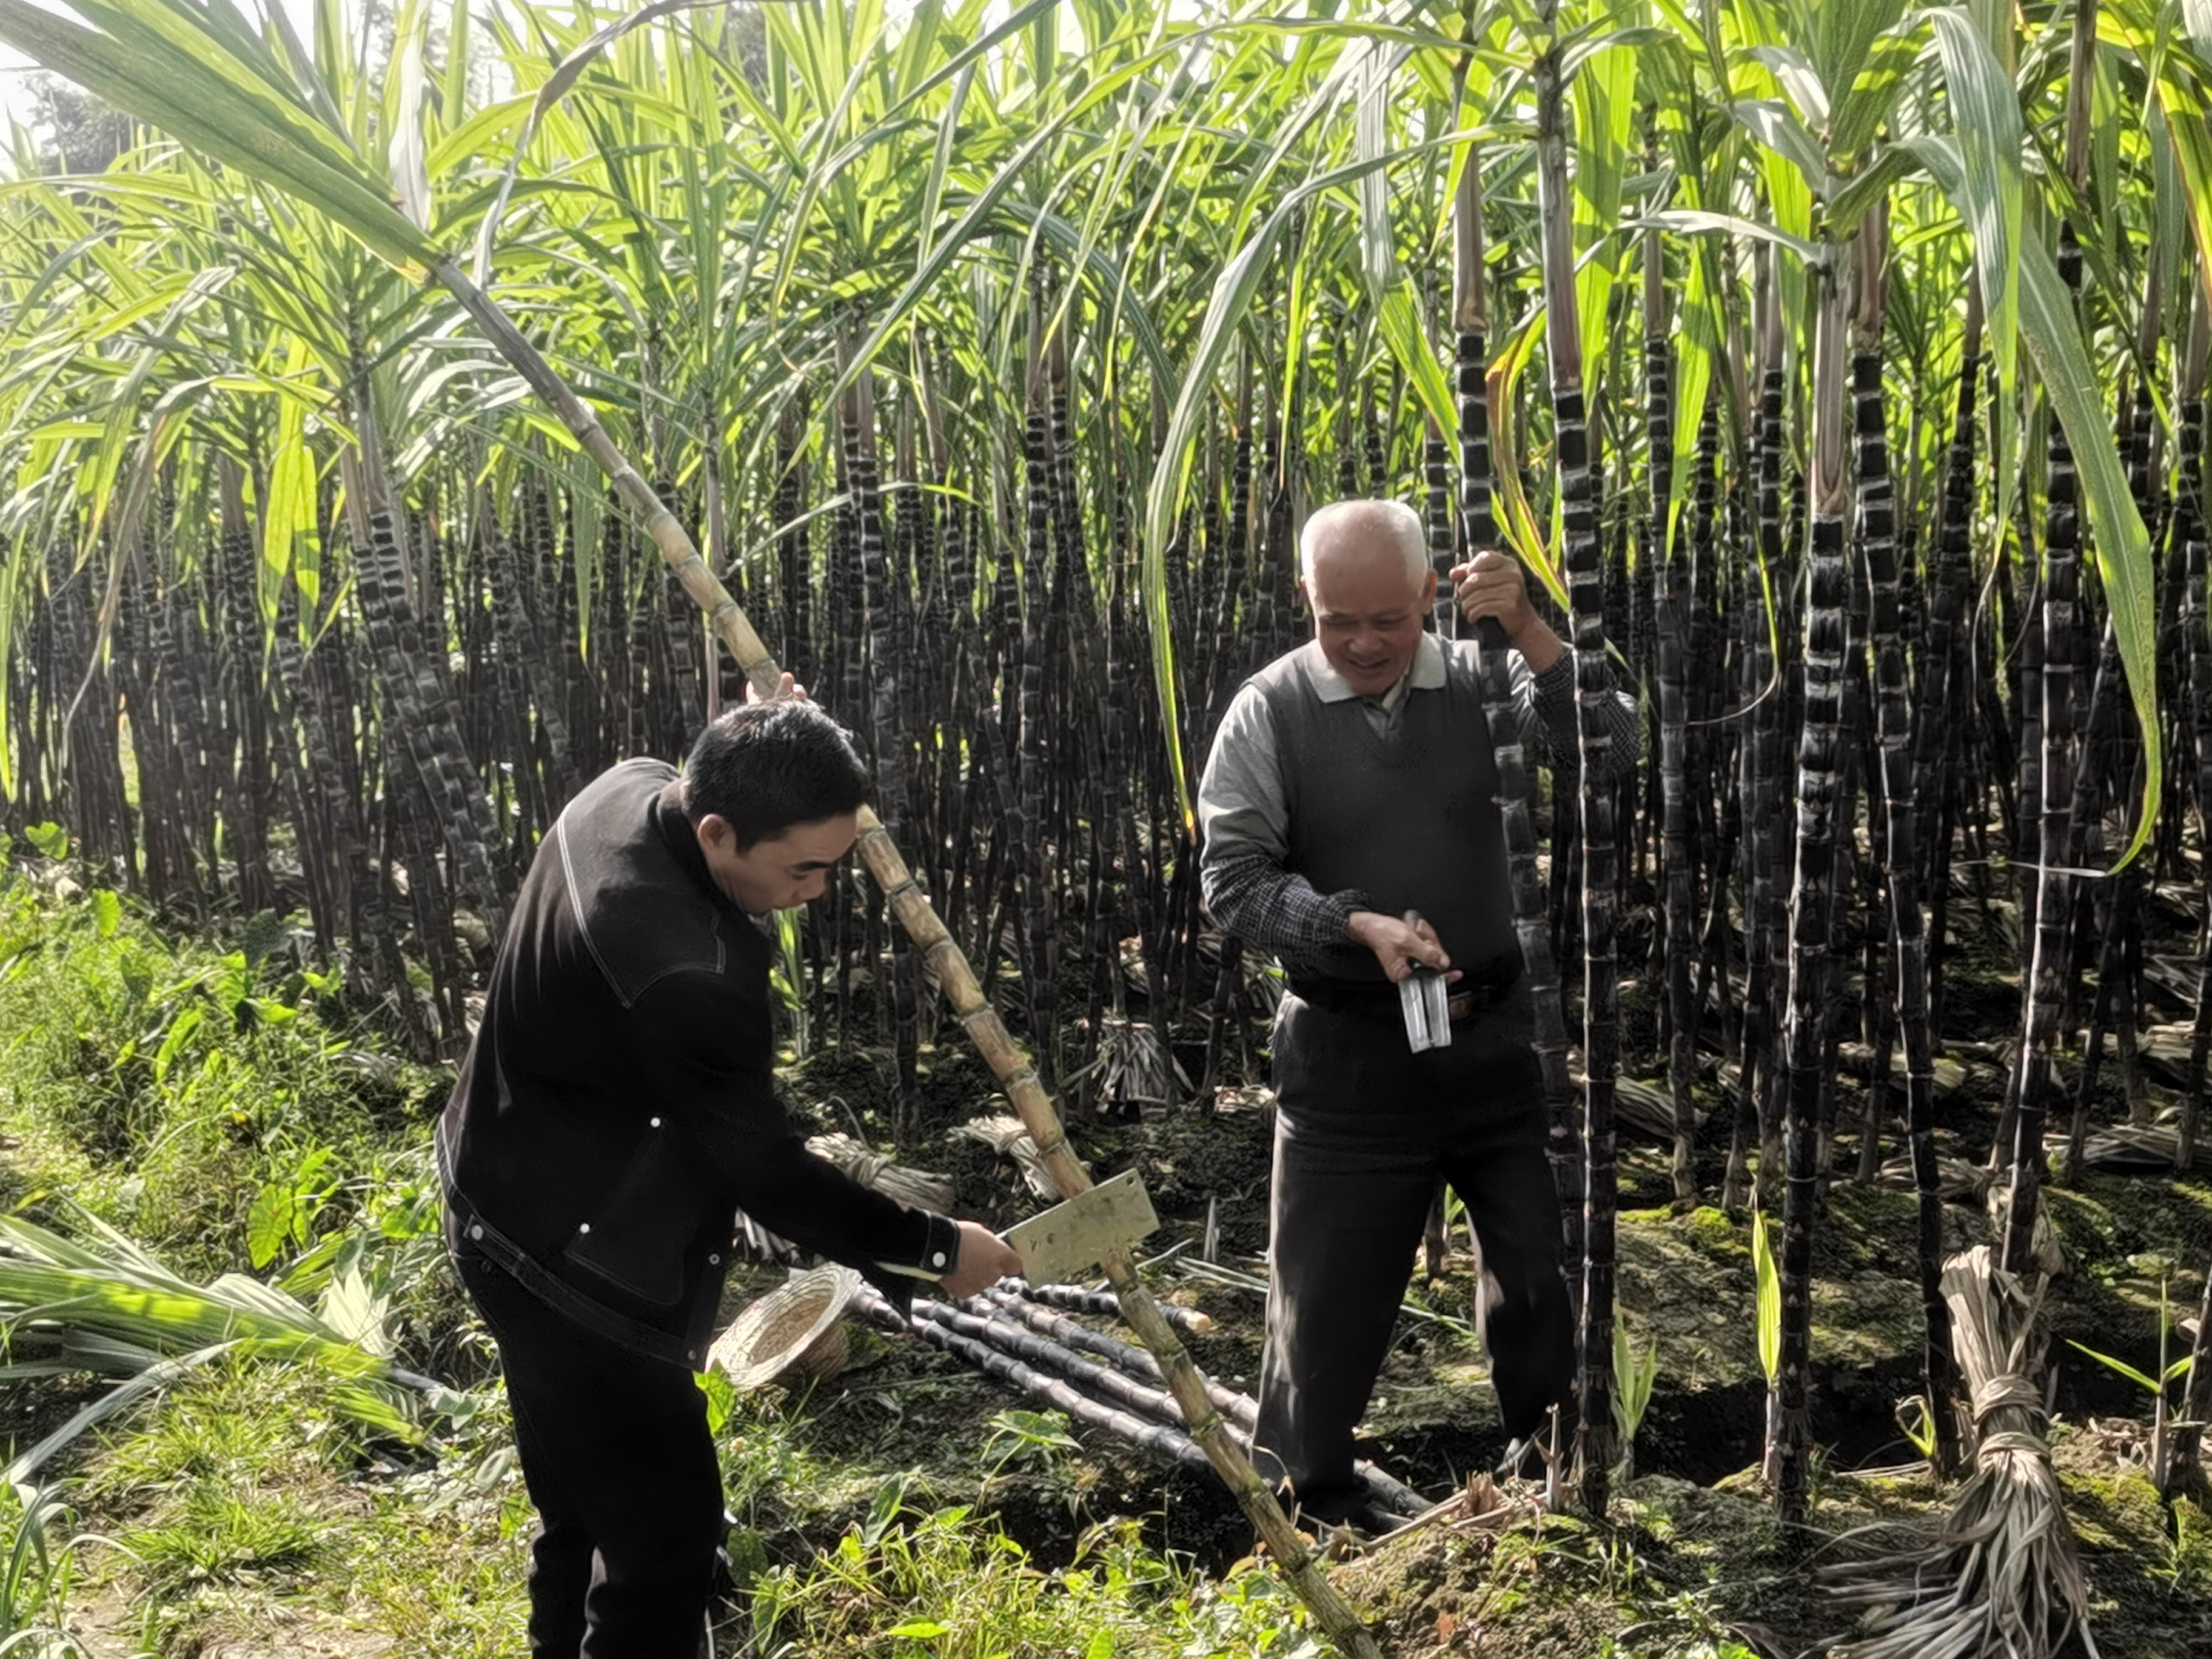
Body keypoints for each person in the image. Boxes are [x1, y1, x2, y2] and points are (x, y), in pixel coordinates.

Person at [440, 682, 1021, 1657]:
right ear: (717, 832)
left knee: (583, 1508)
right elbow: (767, 1174)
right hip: (570, 1271)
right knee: (665, 1550)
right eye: (804, 869)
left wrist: (768, 730)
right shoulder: (684, 966)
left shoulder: (625, 788)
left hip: (494, 1194)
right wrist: (931, 1246)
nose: (817, 891)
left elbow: (719, 768)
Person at [1196, 498, 1639, 1531]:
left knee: (1546, 1279)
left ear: (1433, 595)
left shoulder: (1489, 677)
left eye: (1389, 620)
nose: (1363, 643)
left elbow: (1613, 749)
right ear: (1305, 600)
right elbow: (1234, 881)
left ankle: (1562, 1488)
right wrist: (1353, 926)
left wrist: (1531, 630)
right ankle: (1310, 1515)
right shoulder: (1270, 711)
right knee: (1322, 1307)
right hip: (1349, 1054)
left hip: (1500, 1042)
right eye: (1337, 621)